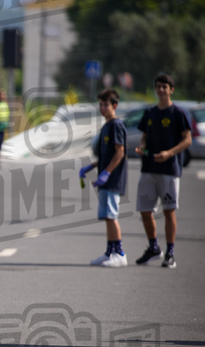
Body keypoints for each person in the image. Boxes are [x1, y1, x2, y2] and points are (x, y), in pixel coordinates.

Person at [135, 73, 191, 268]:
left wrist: (169, 153)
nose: (160, 90)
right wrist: (142, 147)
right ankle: (153, 248)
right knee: (144, 210)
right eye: (158, 86)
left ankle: (170, 252)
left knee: (168, 211)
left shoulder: (178, 113)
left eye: (164, 87)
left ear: (171, 90)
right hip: (149, 168)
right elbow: (143, 137)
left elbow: (187, 139)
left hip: (169, 169)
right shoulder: (149, 112)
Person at [79, 88, 128, 267]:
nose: (102, 108)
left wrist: (107, 172)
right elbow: (105, 155)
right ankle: (110, 252)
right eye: (100, 105)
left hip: (113, 179)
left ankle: (120, 253)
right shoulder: (106, 126)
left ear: (114, 105)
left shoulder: (116, 125)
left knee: (112, 215)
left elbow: (119, 152)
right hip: (105, 178)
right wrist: (90, 167)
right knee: (107, 216)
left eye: (106, 105)